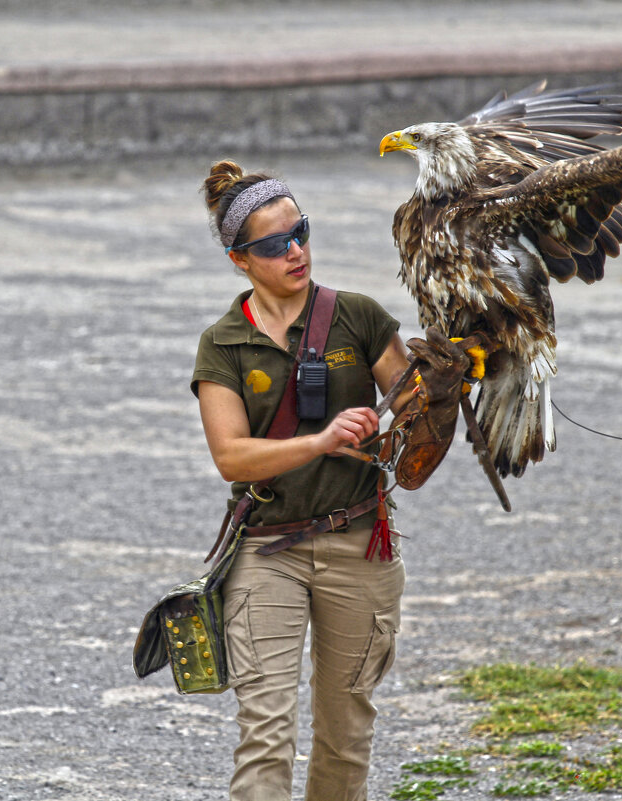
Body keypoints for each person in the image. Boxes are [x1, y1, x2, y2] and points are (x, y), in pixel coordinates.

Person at [193, 160, 415, 801]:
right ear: (240, 260)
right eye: (273, 245)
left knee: (345, 734)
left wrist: (449, 381)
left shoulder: (359, 318)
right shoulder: (223, 344)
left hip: (359, 545)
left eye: (301, 233)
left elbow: (417, 411)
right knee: (265, 732)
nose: (295, 252)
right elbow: (232, 458)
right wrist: (320, 441)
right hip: (266, 551)